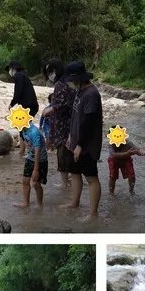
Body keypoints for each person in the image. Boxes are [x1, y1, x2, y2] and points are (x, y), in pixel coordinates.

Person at [64, 61, 103, 218]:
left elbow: (89, 122)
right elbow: (75, 117)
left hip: (87, 145)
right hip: (75, 141)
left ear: (78, 78)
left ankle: (93, 213)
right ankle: (74, 203)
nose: (71, 83)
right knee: (74, 173)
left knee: (91, 178)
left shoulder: (91, 94)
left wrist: (80, 144)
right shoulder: (80, 91)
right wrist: (70, 137)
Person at [42, 59, 75, 190]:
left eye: (51, 71)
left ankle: (64, 183)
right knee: (69, 154)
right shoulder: (69, 82)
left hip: (63, 126)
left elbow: (63, 103)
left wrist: (50, 109)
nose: (50, 74)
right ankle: (71, 179)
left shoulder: (61, 84)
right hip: (70, 124)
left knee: (63, 155)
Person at [15, 121, 48, 208]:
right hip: (30, 158)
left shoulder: (34, 132)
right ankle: (26, 203)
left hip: (40, 160)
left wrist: (36, 170)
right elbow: (28, 146)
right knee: (25, 181)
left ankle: (39, 205)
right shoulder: (23, 130)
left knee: (36, 183)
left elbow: (37, 152)